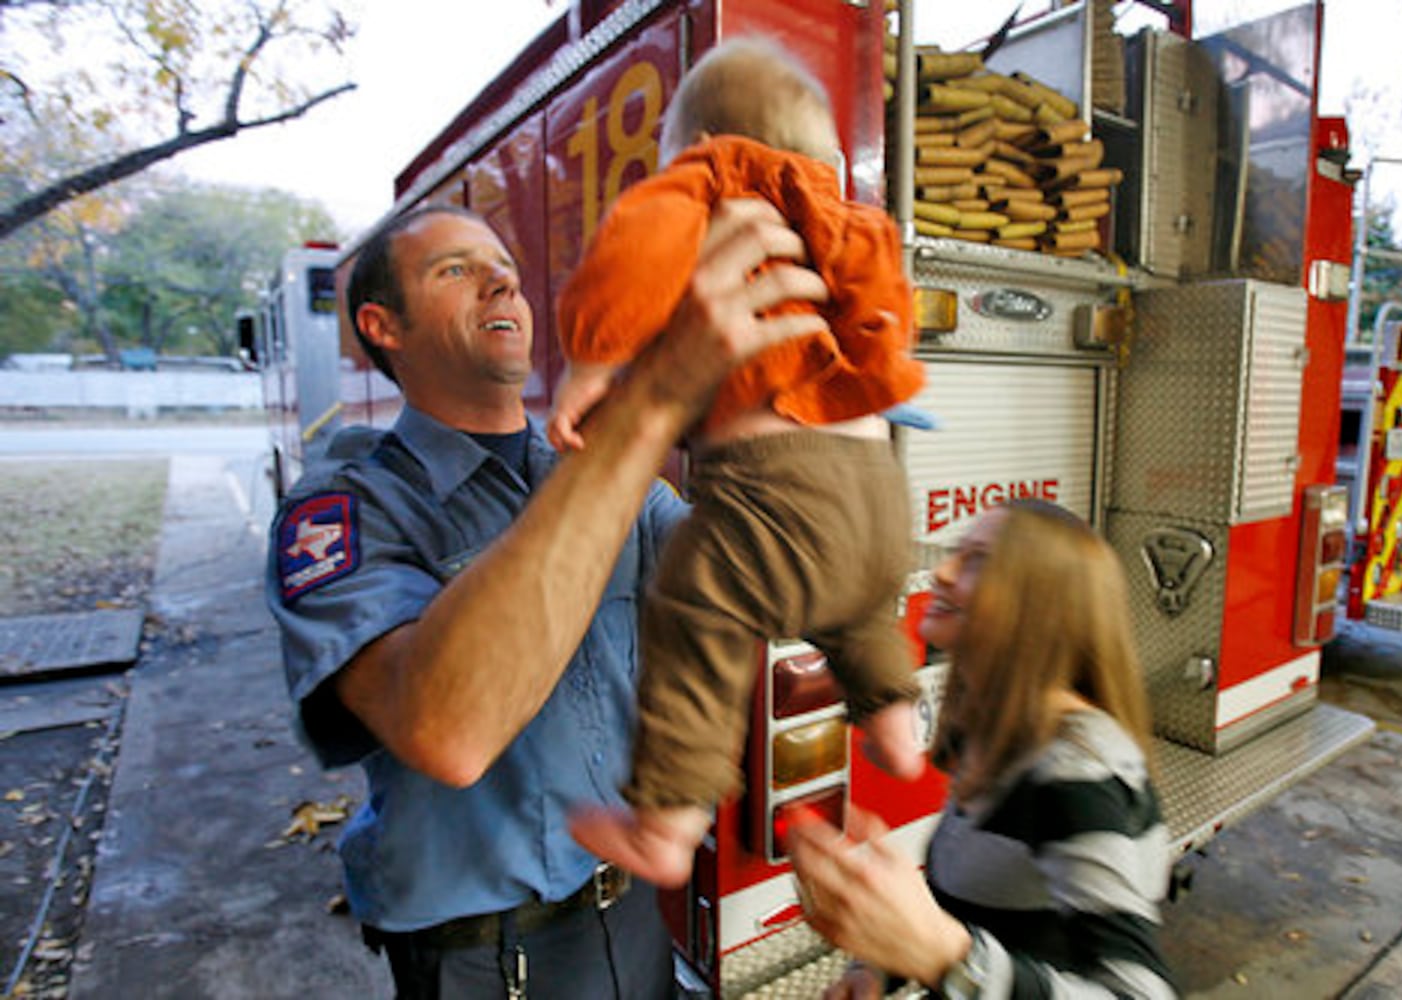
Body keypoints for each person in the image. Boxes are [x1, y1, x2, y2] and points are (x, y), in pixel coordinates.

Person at [265, 198, 835, 998]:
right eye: (456, 269)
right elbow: (448, 732)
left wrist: (792, 398)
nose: (500, 281)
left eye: (504, 268)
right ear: (383, 326)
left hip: (629, 910)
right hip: (486, 953)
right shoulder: (352, 506)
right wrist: (651, 400)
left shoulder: (600, 478)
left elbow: (774, 585)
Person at [556, 37, 928, 889]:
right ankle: (898, 728)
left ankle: (669, 821)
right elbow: (887, 322)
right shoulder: (844, 216)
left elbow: (633, 258)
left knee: (694, 609)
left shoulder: (710, 180)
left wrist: (592, 360)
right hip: (877, 497)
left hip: (776, 492)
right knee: (863, 615)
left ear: (697, 142)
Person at [789, 499, 1178, 999]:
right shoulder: (995, 731)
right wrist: (878, 968)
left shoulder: (1073, 773)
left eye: (977, 561)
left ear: (1040, 607)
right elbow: (980, 905)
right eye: (956, 553)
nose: (942, 573)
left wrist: (946, 959)